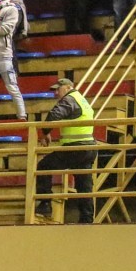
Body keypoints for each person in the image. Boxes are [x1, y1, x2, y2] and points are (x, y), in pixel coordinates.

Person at [36, 76, 96, 223]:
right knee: (84, 186)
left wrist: (45, 132)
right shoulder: (82, 100)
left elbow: (54, 115)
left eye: (58, 89)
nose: (56, 93)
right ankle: (87, 219)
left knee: (43, 167)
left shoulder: (69, 99)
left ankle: (45, 204)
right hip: (88, 148)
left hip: (74, 148)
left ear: (68, 88)